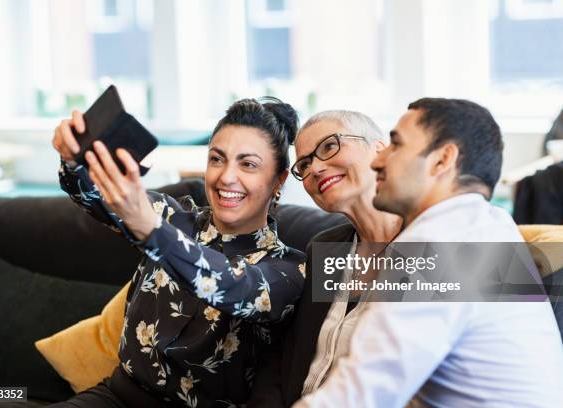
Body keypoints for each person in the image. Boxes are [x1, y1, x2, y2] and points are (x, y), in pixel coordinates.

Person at [293, 98, 563, 407]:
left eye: (396, 145)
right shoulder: (486, 226)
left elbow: (361, 394)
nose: (379, 161)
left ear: (442, 159)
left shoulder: (442, 242)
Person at [50, 97, 306, 407]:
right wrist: (73, 159)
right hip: (114, 397)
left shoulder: (288, 269)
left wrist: (151, 230)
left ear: (279, 179)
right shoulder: (170, 216)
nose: (226, 177)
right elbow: (92, 195)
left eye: (248, 164)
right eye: (217, 159)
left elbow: (232, 285)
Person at [248, 109, 402, 407]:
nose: (315, 169)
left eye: (330, 146)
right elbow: (283, 358)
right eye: (304, 165)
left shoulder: (441, 241)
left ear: (379, 150)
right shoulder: (325, 248)